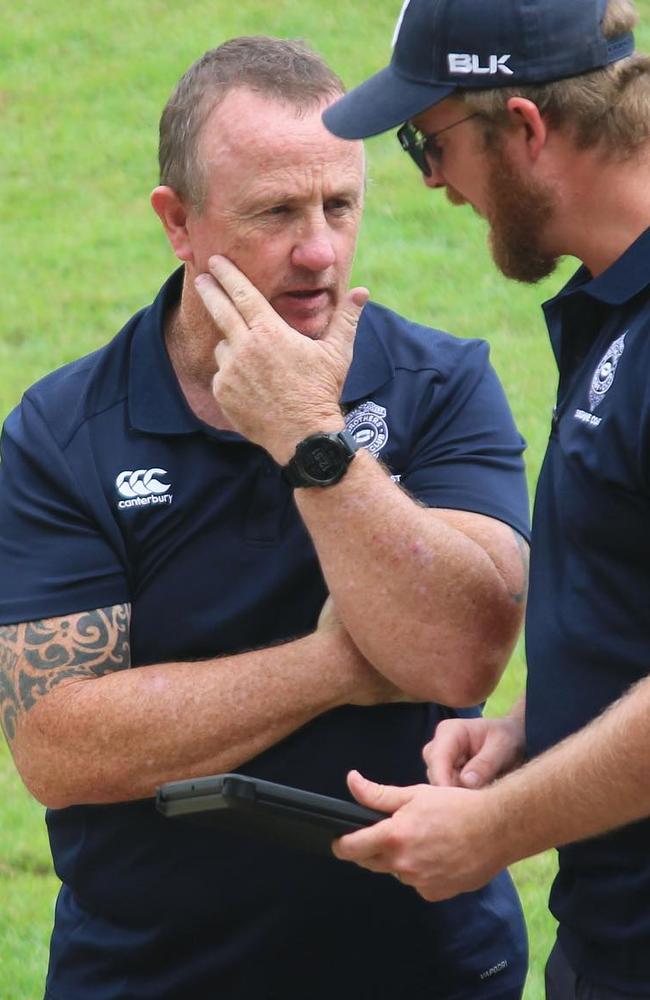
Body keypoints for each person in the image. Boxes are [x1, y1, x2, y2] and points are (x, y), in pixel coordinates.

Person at [0, 36, 531, 1000]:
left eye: (339, 204)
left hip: (430, 971)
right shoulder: (61, 433)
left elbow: (460, 653)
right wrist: (336, 663)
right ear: (179, 223)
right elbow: (59, 745)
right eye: (276, 212)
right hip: (149, 978)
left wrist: (310, 441)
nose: (319, 250)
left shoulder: (440, 386)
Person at [323, 0, 650, 997]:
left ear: (523, 127)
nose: (432, 185)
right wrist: (539, 728)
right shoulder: (615, 303)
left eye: (430, 142)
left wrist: (491, 832)